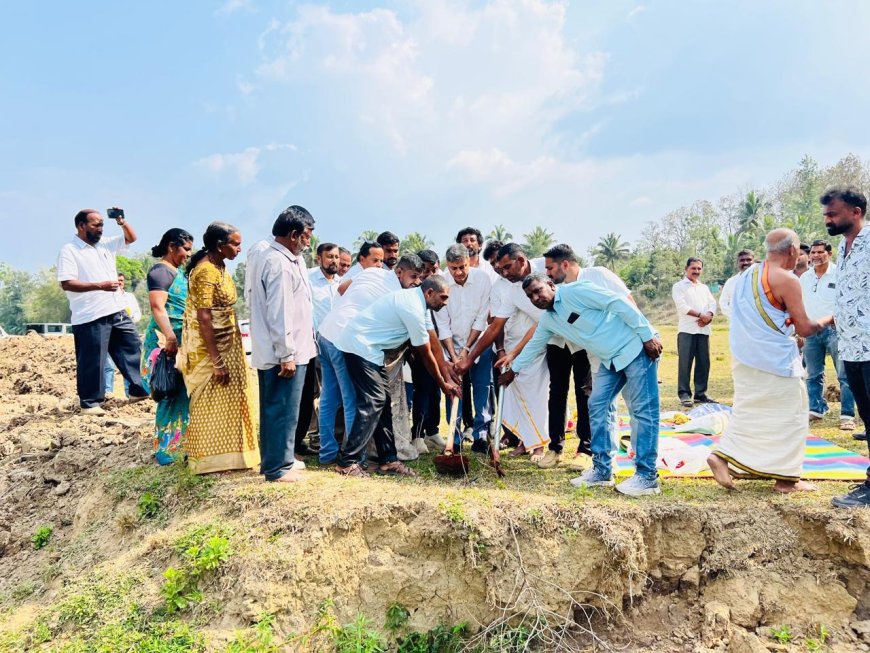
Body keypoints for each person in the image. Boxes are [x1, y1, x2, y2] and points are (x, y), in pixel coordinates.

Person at [504, 273, 663, 497]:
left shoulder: (576, 291)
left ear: (551, 285)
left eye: (538, 290)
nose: (536, 298)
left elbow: (617, 302)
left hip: (636, 347)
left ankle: (647, 477)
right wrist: (513, 370)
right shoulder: (548, 320)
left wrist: (646, 335)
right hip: (610, 360)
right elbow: (534, 345)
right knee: (596, 405)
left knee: (643, 411)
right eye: (530, 296)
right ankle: (602, 471)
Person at [708, 229, 831, 494]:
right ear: (792, 251)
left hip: (745, 356)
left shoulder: (746, 275)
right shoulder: (787, 279)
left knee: (749, 411)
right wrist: (829, 319)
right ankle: (786, 480)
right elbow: (805, 327)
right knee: (793, 415)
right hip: (775, 359)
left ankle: (721, 456)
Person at [333, 276, 460, 477]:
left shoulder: (421, 304)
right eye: (443, 297)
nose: (445, 303)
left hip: (371, 351)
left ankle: (388, 460)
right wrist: (442, 384)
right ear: (429, 293)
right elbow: (425, 353)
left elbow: (433, 341)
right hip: (359, 346)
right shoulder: (412, 307)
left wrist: (447, 376)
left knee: (383, 402)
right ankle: (346, 462)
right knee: (374, 401)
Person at [320, 256, 440, 461]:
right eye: (413, 277)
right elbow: (423, 341)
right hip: (346, 338)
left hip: (326, 332)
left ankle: (327, 453)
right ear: (399, 272)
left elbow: (341, 288)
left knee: (329, 398)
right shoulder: (398, 294)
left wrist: (350, 306)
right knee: (355, 400)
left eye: (420, 278)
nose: (417, 282)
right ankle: (355, 459)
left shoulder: (373, 271)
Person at [538, 244, 633, 467]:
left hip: (587, 346)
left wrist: (639, 335)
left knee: (587, 393)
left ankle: (585, 449)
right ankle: (555, 448)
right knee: (556, 392)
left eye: (550, 268)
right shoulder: (553, 286)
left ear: (564, 264)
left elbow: (627, 301)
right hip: (558, 342)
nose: (547, 273)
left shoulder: (598, 275)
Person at [177, 222, 259, 474]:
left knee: (232, 398)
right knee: (209, 402)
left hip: (229, 339)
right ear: (220, 245)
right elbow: (204, 317)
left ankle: (234, 458)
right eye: (235, 244)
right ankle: (208, 462)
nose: (239, 248)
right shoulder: (206, 271)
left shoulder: (220, 266)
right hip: (209, 348)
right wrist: (217, 360)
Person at [459, 243, 549, 461]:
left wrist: (514, 353)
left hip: (539, 344)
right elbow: (495, 326)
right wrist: (473, 357)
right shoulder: (508, 289)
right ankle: (525, 441)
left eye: (507, 267)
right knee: (515, 396)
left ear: (521, 261)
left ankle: (539, 445)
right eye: (499, 268)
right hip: (511, 347)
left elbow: (541, 324)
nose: (503, 272)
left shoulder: (543, 272)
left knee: (536, 395)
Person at [246, 207, 316, 483]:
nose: (309, 241)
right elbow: (280, 311)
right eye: (307, 236)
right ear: (294, 235)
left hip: (290, 348)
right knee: (280, 409)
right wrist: (286, 353)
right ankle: (277, 467)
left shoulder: (287, 259)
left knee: (284, 409)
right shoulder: (277, 262)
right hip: (283, 352)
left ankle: (280, 459)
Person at [57, 208, 149, 415]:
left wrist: (121, 221)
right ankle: (90, 404)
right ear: (81, 226)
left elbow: (131, 238)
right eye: (95, 225)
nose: (100, 228)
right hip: (90, 314)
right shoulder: (69, 250)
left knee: (133, 347)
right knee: (94, 360)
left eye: (101, 224)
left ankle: (138, 390)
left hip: (116, 308)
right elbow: (67, 283)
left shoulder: (105, 244)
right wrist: (100, 285)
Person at [821, 186, 870, 508]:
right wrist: (824, 321)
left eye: (833, 214)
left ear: (855, 212)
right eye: (826, 214)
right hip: (851, 348)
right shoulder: (843, 246)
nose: (828, 220)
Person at [141, 228, 194, 465]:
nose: (188, 254)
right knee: (169, 392)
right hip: (165, 343)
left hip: (181, 342)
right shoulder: (161, 272)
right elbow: (157, 307)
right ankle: (164, 448)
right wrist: (171, 337)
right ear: (171, 246)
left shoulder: (177, 272)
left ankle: (183, 443)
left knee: (182, 393)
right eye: (185, 249)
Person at [435, 244, 493, 452]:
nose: (458, 272)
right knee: (454, 390)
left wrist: (467, 349)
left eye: (462, 267)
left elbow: (481, 318)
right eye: (453, 268)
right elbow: (442, 324)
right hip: (450, 346)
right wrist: (453, 356)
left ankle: (481, 436)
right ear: (447, 265)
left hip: (478, 344)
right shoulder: (441, 282)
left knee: (482, 388)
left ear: (469, 262)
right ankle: (455, 438)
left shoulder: (483, 279)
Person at [800, 239, 856, 429]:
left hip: (835, 330)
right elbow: (801, 304)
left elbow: (846, 303)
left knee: (844, 374)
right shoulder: (805, 277)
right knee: (813, 374)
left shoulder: (840, 274)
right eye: (813, 252)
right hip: (811, 331)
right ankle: (816, 409)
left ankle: (847, 415)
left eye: (820, 252)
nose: (816, 256)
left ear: (829, 254)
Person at [310, 243, 348, 465]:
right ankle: (348, 454)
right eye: (329, 257)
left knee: (332, 397)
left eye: (336, 257)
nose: (334, 261)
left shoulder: (341, 283)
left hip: (340, 342)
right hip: (320, 344)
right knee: (340, 397)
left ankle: (330, 450)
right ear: (319, 258)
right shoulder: (309, 279)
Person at [672, 257, 716, 407]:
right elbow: (682, 307)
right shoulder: (679, 286)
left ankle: (700, 394)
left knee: (704, 363)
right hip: (687, 330)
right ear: (686, 269)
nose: (696, 271)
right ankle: (684, 394)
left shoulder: (704, 288)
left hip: (703, 329)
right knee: (685, 363)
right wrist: (701, 315)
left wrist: (708, 316)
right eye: (693, 268)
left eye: (699, 268)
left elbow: (712, 303)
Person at [103, 272, 143, 396]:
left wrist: (129, 320)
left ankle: (130, 393)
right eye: (117, 280)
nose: (120, 282)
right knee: (108, 365)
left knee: (129, 363)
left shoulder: (129, 297)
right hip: (110, 333)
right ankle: (108, 393)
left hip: (127, 332)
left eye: (121, 280)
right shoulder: (106, 297)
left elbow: (137, 313)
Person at [718, 249, 755, 319]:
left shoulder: (762, 280)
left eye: (749, 260)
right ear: (737, 263)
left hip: (757, 322)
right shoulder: (731, 282)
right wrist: (735, 316)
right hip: (736, 322)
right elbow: (723, 302)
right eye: (742, 260)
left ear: (754, 262)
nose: (745, 262)